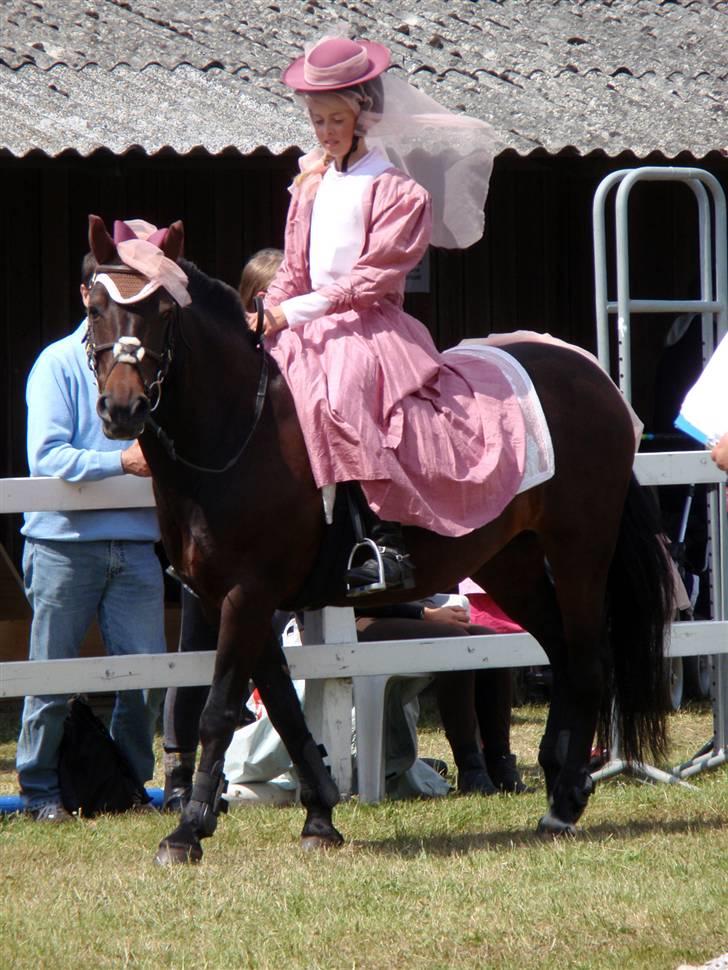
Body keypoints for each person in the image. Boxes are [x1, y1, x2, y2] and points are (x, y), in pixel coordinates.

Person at [253, 35, 521, 598]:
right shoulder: (309, 185)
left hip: (367, 325)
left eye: (335, 119)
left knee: (342, 392)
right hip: (306, 318)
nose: (325, 132)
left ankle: (380, 540)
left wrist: (292, 312)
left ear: (363, 115)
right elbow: (292, 270)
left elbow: (371, 279)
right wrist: (262, 311)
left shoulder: (398, 190)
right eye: (317, 120)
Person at [15, 251, 166, 822]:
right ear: (87, 295)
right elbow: (47, 458)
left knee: (146, 680)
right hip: (61, 545)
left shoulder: (151, 365)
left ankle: (126, 785)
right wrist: (122, 463)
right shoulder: (56, 363)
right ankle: (38, 791)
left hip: (134, 544)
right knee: (49, 677)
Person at [162, 247, 285, 811]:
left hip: (257, 540)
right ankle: (179, 765)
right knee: (196, 648)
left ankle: (305, 769)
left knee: (261, 656)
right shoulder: (218, 366)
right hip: (207, 533)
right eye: (268, 296)